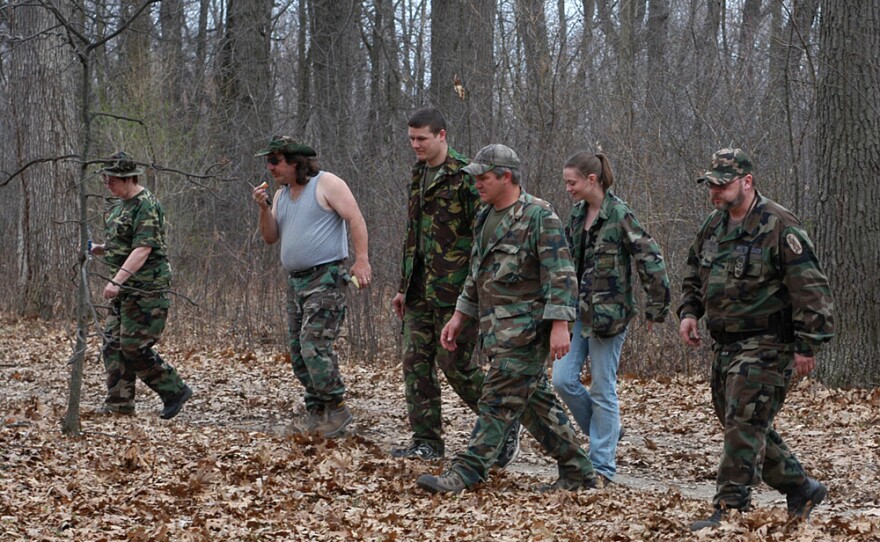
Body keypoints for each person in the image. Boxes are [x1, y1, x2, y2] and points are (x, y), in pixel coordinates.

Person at [416, 144, 597, 494]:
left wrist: (560, 326)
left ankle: (467, 471)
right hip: (495, 332)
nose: (477, 185)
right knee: (533, 405)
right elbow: (476, 274)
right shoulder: (485, 216)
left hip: (527, 333)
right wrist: (458, 316)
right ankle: (578, 471)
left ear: (506, 177)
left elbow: (561, 275)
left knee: (496, 401)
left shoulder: (539, 217)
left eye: (483, 178)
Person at [679, 148, 835, 530]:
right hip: (726, 343)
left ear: (746, 181)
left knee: (744, 422)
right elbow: (693, 271)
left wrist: (807, 344)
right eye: (710, 185)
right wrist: (688, 312)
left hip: (768, 342)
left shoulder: (779, 224)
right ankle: (801, 486)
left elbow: (811, 288)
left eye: (722, 184)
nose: (715, 192)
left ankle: (729, 510)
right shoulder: (713, 227)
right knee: (739, 422)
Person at [391, 108, 521, 466]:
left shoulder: (465, 176)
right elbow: (413, 234)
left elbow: (483, 231)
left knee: (455, 364)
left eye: (422, 139)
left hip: (455, 291)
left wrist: (476, 290)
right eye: (412, 139)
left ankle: (502, 423)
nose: (415, 145)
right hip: (419, 289)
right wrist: (403, 286)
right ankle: (427, 440)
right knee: (415, 363)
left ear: (442, 136)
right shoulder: (418, 174)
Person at [552, 152, 670, 486]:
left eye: (571, 182)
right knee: (562, 380)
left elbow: (650, 258)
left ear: (592, 179)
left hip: (610, 319)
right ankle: (609, 430)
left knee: (604, 388)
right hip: (578, 315)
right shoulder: (576, 216)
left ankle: (601, 467)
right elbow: (563, 262)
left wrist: (656, 308)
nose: (568, 189)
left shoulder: (619, 215)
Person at [253, 136, 371, 438]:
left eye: (276, 160)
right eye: (269, 161)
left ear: (295, 161)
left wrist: (362, 261)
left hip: (326, 278)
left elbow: (355, 218)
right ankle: (318, 412)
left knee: (313, 345)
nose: (270, 167)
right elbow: (270, 237)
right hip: (296, 282)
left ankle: (338, 408)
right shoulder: (280, 195)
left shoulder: (326, 184)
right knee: (298, 352)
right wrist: (264, 209)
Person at [90, 151, 192, 419]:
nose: (108, 184)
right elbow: (121, 244)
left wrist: (116, 280)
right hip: (126, 291)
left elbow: (143, 249)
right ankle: (119, 404)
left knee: (134, 346)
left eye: (113, 180)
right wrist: (99, 249)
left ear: (128, 179)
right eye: (106, 179)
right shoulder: (119, 206)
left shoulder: (146, 205)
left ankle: (174, 390)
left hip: (146, 289)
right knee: (113, 344)